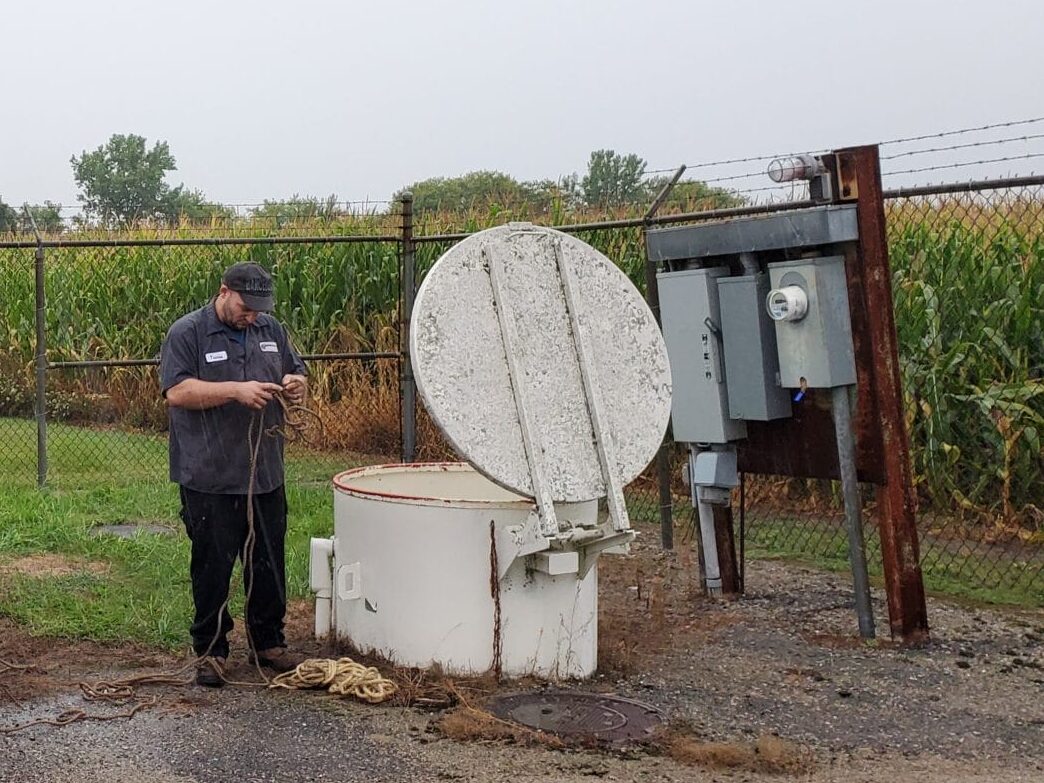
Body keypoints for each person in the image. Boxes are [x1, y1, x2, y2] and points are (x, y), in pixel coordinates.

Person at [160, 261, 308, 687]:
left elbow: (298, 371)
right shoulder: (187, 332)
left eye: (259, 309)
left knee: (267, 561)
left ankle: (269, 641)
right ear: (223, 292)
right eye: (245, 307)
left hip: (264, 473)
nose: (252, 316)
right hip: (209, 475)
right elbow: (177, 392)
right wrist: (235, 390)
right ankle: (211, 650)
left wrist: (297, 384)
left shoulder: (271, 330)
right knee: (213, 566)